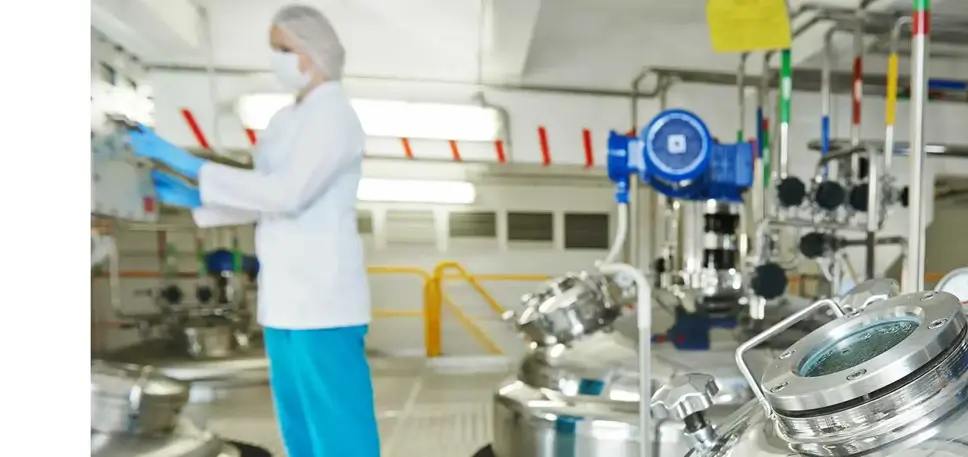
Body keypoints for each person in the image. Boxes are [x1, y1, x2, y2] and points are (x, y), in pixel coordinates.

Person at [126, 4, 379, 457]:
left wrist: (192, 166)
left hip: (323, 302)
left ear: (312, 54)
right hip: (283, 301)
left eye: (283, 49)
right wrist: (193, 198)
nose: (275, 59)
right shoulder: (285, 122)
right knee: (299, 427)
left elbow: (287, 194)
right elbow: (260, 195)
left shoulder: (335, 117)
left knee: (339, 431)